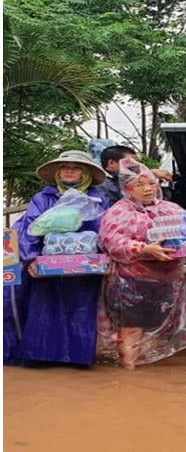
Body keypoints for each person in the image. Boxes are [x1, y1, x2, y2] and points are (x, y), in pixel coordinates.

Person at [7, 151, 111, 367]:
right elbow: (29, 231)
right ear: (57, 173)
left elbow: (105, 230)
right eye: (65, 167)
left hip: (84, 268)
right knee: (44, 310)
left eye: (75, 167)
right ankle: (40, 358)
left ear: (86, 173)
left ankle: (78, 359)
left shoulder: (98, 199)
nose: (69, 171)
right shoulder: (43, 198)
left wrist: (104, 257)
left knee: (80, 310)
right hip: (47, 267)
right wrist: (32, 259)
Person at [97, 158, 186, 369]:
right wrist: (144, 249)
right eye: (140, 185)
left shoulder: (169, 208)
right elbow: (112, 243)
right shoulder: (119, 212)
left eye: (152, 184)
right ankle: (129, 371)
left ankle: (146, 368)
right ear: (127, 188)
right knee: (132, 329)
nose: (147, 189)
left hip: (166, 281)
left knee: (155, 326)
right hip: (132, 282)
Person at [97, 145, 173, 206]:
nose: (136, 167)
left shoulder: (116, 180)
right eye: (130, 163)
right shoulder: (102, 184)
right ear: (111, 163)